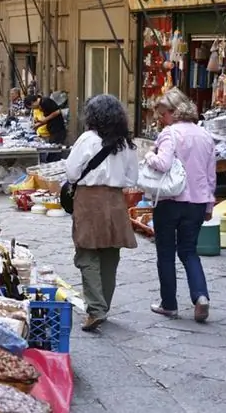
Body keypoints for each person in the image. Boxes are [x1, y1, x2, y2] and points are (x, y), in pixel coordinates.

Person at [65, 94, 138, 331]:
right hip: (115, 200)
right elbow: (132, 178)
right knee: (110, 255)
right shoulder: (125, 143)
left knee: (87, 254)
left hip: (89, 200)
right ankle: (103, 306)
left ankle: (96, 309)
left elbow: (72, 172)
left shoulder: (87, 139)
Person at [146, 88, 215, 323]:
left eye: (163, 114)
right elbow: (210, 175)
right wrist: (209, 205)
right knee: (189, 251)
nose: (160, 119)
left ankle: (169, 304)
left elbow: (163, 164)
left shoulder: (170, 134)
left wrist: (148, 157)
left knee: (165, 253)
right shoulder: (205, 135)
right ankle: (200, 296)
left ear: (174, 112)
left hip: (170, 201)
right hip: (197, 201)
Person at [25, 93, 66, 162]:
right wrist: (38, 124)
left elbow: (58, 112)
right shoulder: (41, 105)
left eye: (31, 107)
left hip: (58, 130)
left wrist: (45, 120)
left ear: (32, 102)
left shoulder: (45, 102)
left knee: (54, 153)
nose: (33, 109)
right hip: (52, 131)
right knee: (52, 152)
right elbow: (48, 119)